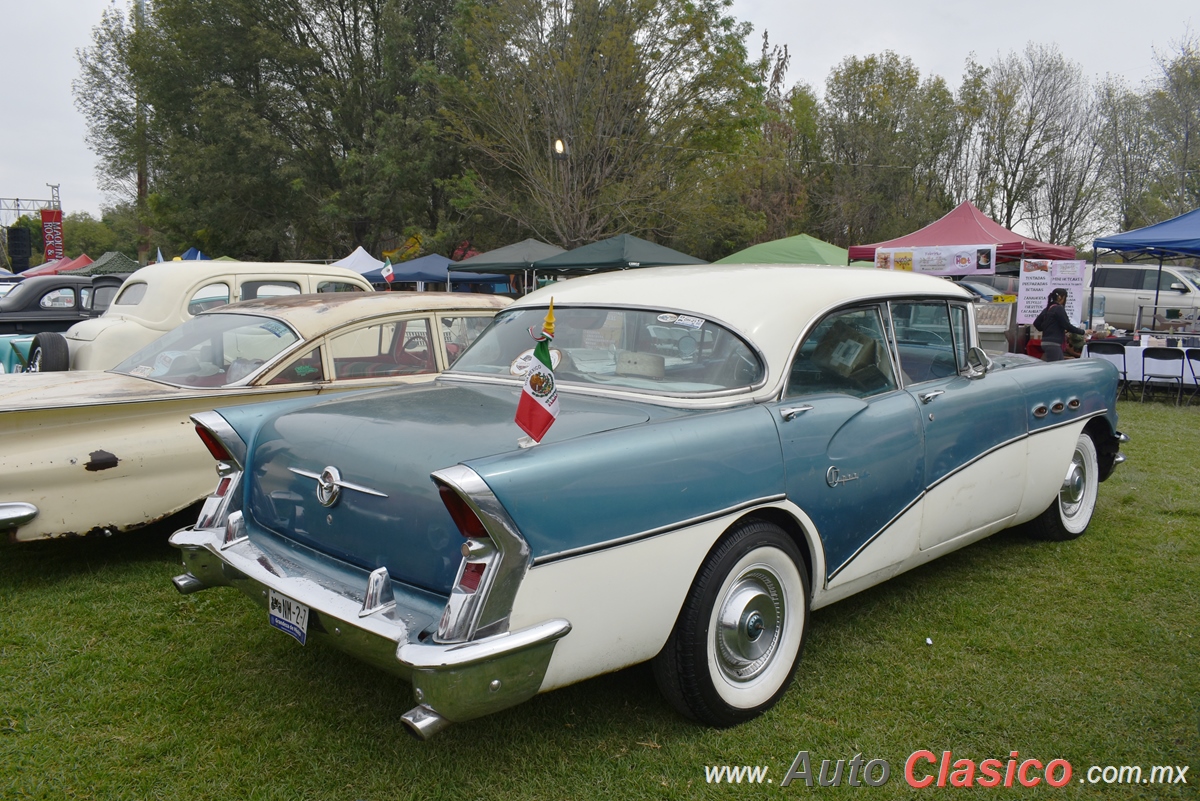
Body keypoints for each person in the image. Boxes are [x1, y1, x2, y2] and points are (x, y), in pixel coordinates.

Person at [1033, 288, 1087, 362]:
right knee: (1054, 367)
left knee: (1060, 365)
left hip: (1046, 342)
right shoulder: (1058, 309)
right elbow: (1067, 325)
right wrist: (1083, 332)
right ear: (1061, 297)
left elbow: (1036, 323)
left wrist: (1048, 328)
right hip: (1053, 344)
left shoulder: (1048, 308)